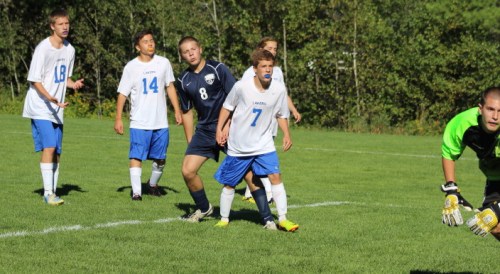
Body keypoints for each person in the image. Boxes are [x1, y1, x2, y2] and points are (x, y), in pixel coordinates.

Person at [214, 49, 299, 232]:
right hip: (239, 145)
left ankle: (283, 219)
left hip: (264, 143)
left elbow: (281, 114)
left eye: (270, 66)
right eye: (263, 66)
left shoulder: (279, 89)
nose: (267, 70)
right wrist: (219, 129)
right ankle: (224, 218)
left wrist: (286, 134)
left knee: (275, 176)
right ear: (255, 69)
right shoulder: (241, 86)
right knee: (230, 183)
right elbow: (227, 107)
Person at [176, 36, 258, 222]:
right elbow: (187, 111)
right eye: (186, 52)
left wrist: (227, 125)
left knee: (246, 172)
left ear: (201, 49)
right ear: (182, 56)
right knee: (188, 170)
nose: (191, 53)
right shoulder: (182, 80)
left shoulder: (218, 69)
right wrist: (190, 140)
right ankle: (204, 208)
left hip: (229, 127)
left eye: (193, 49)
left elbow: (237, 98)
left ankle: (267, 217)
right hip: (204, 131)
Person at [22, 8, 84, 206]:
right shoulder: (43, 48)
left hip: (57, 107)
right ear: (52, 26)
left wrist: (73, 84)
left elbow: (64, 77)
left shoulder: (70, 49)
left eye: (67, 23)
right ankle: (48, 194)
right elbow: (35, 81)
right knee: (49, 146)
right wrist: (50, 98)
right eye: (60, 24)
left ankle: (53, 192)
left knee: (57, 150)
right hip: (40, 105)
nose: (65, 27)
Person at [114, 29, 181, 201]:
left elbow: (170, 87)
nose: (150, 43)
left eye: (152, 40)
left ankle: (152, 184)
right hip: (139, 121)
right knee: (136, 156)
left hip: (160, 121)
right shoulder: (131, 67)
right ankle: (137, 192)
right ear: (138, 47)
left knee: (160, 158)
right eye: (145, 41)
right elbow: (122, 94)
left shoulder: (163, 63)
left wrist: (177, 110)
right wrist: (118, 118)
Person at [241, 37, 301, 204]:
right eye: (269, 48)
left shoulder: (277, 71)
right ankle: (265, 192)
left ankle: (253, 191)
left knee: (262, 155)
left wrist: (293, 109)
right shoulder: (249, 73)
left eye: (275, 49)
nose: (273, 51)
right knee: (257, 156)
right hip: (254, 123)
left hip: (273, 121)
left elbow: (282, 94)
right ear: (260, 49)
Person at [441, 86, 500, 240]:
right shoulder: (462, 123)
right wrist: (451, 190)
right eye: (490, 109)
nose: (495, 116)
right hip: (495, 178)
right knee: (493, 226)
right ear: (480, 108)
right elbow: (449, 153)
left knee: (494, 216)